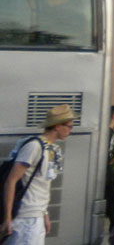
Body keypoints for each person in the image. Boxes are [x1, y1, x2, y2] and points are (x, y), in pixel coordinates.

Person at [1, 104, 75, 245]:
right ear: (57, 126)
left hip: (36, 217)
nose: (71, 130)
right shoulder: (34, 146)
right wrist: (7, 218)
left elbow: (41, 185)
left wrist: (44, 214)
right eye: (69, 126)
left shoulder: (50, 148)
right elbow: (11, 181)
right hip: (25, 219)